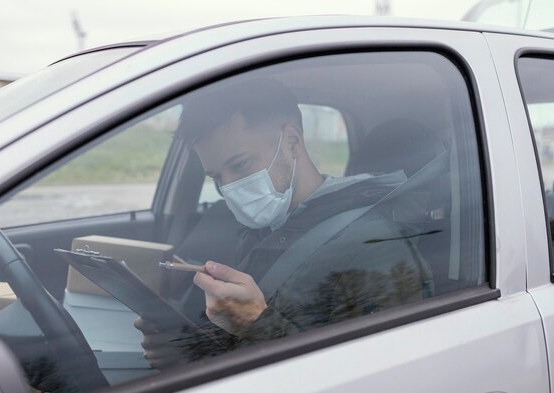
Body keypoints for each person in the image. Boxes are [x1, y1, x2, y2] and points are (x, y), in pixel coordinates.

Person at [135, 78, 432, 369]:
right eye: (216, 177)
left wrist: (256, 323)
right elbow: (255, 343)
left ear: (291, 141)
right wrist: (190, 348)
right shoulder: (270, 227)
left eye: (240, 165)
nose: (229, 188)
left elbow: (372, 382)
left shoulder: (373, 246)